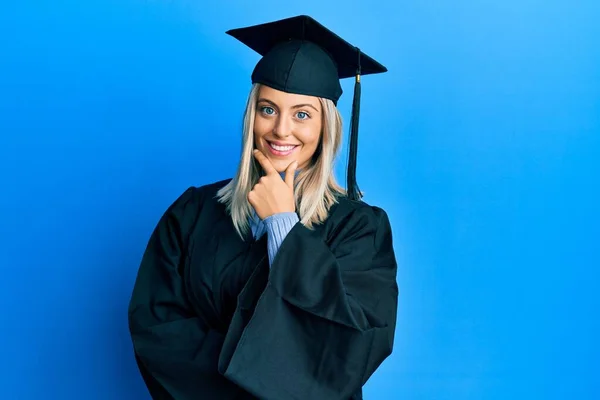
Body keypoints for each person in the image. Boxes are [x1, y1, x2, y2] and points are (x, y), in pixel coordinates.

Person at [128, 15, 399, 400]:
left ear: (327, 128)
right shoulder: (192, 212)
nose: (281, 130)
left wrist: (282, 222)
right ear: (251, 114)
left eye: (302, 114)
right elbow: (157, 328)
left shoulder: (359, 228)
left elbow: (352, 345)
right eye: (268, 109)